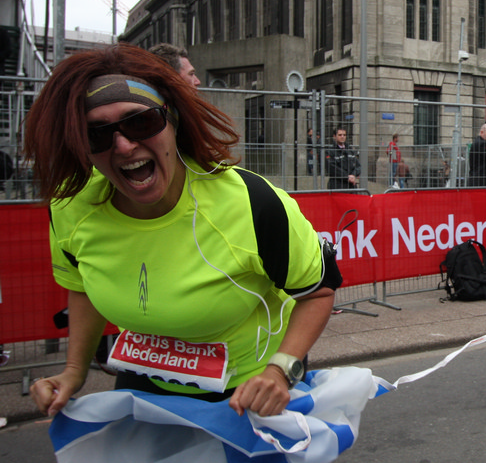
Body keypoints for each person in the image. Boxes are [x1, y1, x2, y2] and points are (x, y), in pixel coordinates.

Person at [23, 43, 338, 423]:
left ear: (171, 119)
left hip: (247, 393)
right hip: (145, 383)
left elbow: (318, 290)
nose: (123, 145)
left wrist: (281, 370)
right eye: (97, 134)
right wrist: (73, 372)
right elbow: (82, 288)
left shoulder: (251, 203)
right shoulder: (71, 206)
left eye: (141, 122)